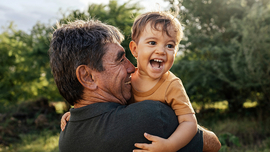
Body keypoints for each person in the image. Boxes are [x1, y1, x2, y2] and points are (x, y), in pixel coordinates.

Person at [50, 19, 221, 152]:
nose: (132, 68)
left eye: (169, 45)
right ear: (87, 77)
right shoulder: (153, 115)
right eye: (120, 59)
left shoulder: (66, 137)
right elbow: (213, 145)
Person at [128, 11, 197, 151]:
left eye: (170, 46)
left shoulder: (172, 84)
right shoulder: (126, 79)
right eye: (152, 43)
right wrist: (77, 113)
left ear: (175, 53)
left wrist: (170, 145)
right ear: (135, 49)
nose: (161, 51)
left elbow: (189, 122)